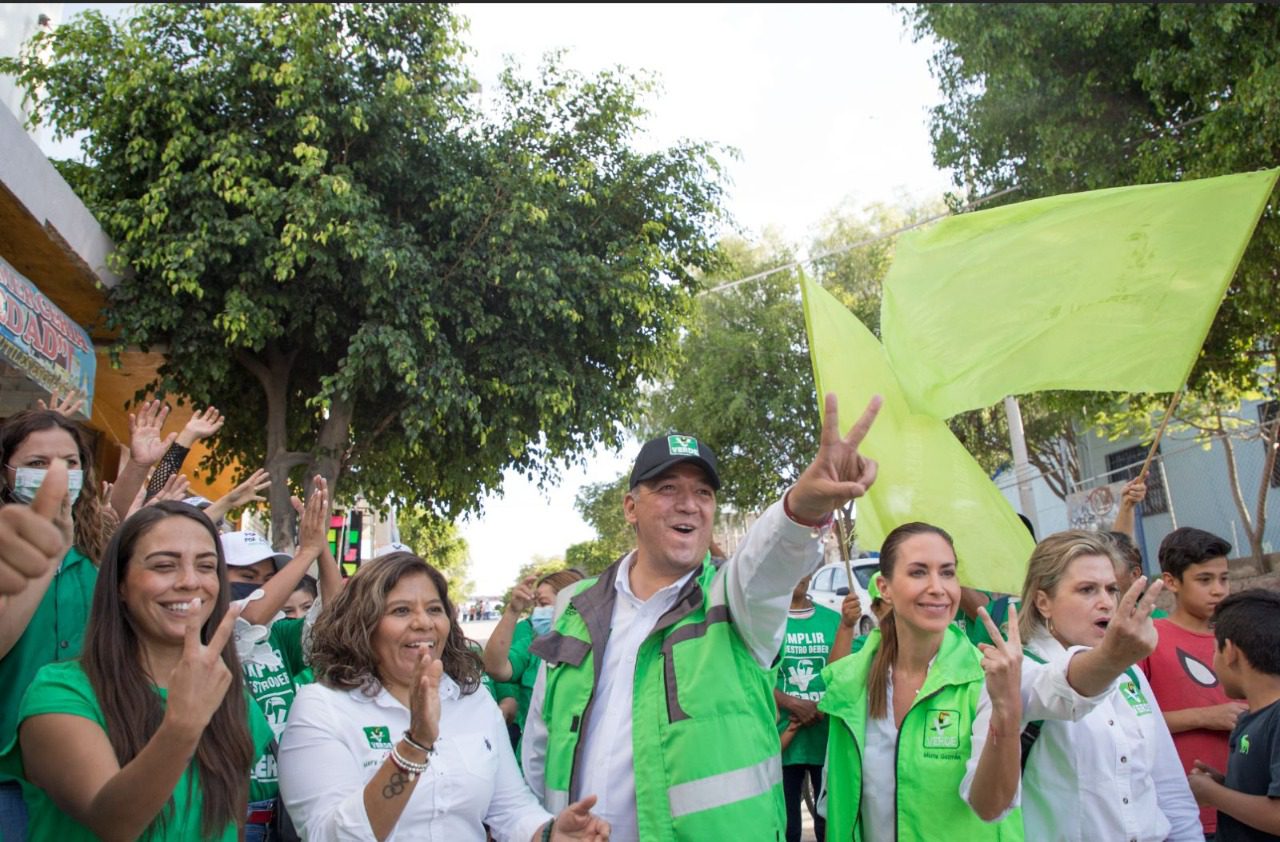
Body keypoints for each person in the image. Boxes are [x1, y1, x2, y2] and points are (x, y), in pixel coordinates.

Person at [523, 393, 883, 841]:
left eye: (703, 492)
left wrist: (804, 507)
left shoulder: (735, 599)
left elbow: (769, 561)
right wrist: (540, 830)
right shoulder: (576, 605)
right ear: (630, 507)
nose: (689, 504)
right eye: (668, 488)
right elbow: (539, 741)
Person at [822, 522, 1154, 841]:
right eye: (918, 572)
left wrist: (1111, 658)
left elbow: (1059, 685)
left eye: (948, 572)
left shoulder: (987, 673)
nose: (937, 587)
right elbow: (835, 806)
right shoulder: (849, 683)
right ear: (884, 588)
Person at [278, 551, 610, 841]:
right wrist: (414, 747)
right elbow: (329, 835)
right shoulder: (322, 708)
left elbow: (511, 808)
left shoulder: (472, 700)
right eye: (401, 611)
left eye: (435, 609)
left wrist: (549, 833)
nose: (424, 623)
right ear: (363, 625)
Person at [2, 501, 273, 840]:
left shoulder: (233, 699)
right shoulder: (60, 693)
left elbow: (230, 826)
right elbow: (113, 824)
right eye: (164, 565)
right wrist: (183, 725)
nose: (190, 581)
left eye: (206, 566)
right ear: (120, 584)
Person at [0, 408, 141, 840]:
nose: (57, 475)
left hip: (90, 762)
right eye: (37, 463)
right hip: (8, 772)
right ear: (6, 472)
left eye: (69, 462)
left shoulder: (94, 548)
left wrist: (141, 463)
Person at [1017, 530, 1202, 841]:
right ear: (1043, 602)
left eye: (1112, 589)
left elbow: (1167, 783)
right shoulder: (1021, 668)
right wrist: (1113, 658)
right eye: (1087, 590)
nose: (1105, 602)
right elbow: (1060, 689)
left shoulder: (1130, 673)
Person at [1141, 526, 1244, 837]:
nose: (1218, 590)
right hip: (1181, 813)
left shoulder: (1244, 638)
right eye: (1205, 580)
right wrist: (1204, 717)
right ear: (1171, 581)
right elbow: (1131, 723)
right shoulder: (1148, 640)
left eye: (1224, 579)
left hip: (1249, 805)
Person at [1188, 589, 1280, 840]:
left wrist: (1213, 794)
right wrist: (1226, 785)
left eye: (1214, 651)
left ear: (1230, 652)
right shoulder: (1251, 719)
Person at [483, 569, 585, 753]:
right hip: (532, 759)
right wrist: (513, 610)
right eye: (536, 605)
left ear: (571, 603)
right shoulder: (534, 644)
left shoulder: (598, 648)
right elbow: (494, 667)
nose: (538, 611)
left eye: (543, 604)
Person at [775, 574, 843, 842]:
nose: (797, 575)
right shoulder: (766, 621)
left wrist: (821, 707)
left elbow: (845, 672)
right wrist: (791, 703)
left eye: (804, 567)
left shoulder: (835, 621)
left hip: (825, 740)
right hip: (780, 741)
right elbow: (754, 673)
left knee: (828, 825)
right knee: (786, 826)